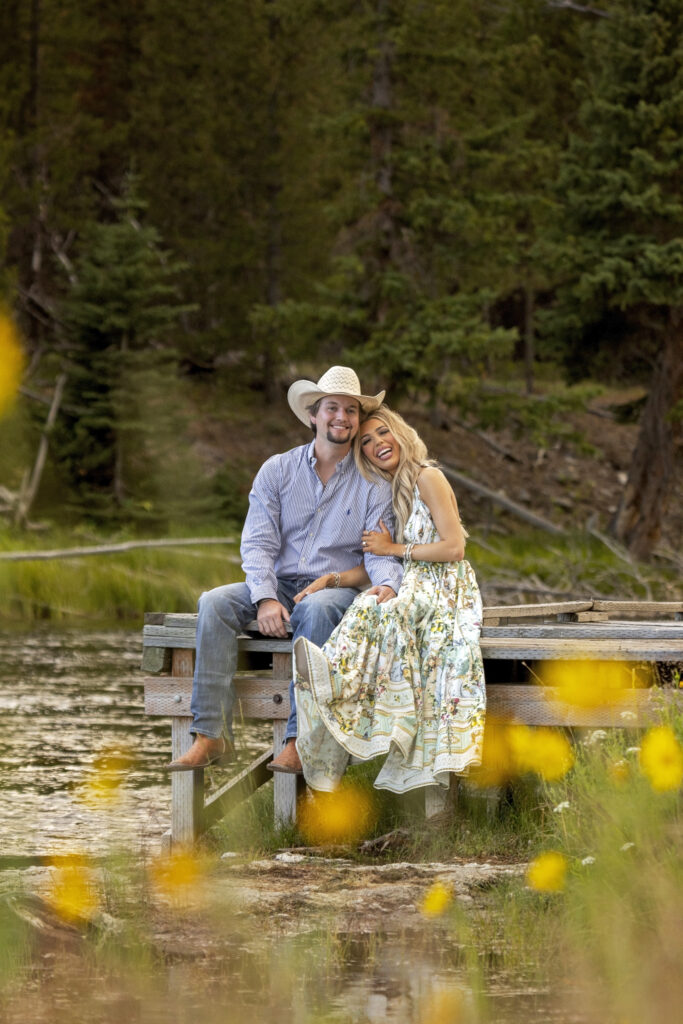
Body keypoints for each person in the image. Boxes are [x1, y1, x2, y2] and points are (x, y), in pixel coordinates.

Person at [166, 367, 403, 773]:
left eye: (351, 410)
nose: (341, 418)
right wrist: (265, 598)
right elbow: (258, 544)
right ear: (314, 414)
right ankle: (211, 735)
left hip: (333, 590)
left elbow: (378, 553)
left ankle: (298, 740)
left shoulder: (374, 486)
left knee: (317, 607)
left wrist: (389, 585)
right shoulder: (277, 470)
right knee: (214, 602)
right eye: (332, 408)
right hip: (278, 584)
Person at [293, 406, 486, 793]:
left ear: (401, 433)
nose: (377, 443)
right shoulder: (392, 493)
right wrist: (331, 579)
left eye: (383, 433)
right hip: (417, 581)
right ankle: (333, 687)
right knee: (370, 601)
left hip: (447, 586)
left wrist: (395, 547)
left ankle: (335, 677)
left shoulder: (428, 477)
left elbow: (454, 548)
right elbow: (376, 562)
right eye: (365, 441)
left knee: (381, 608)